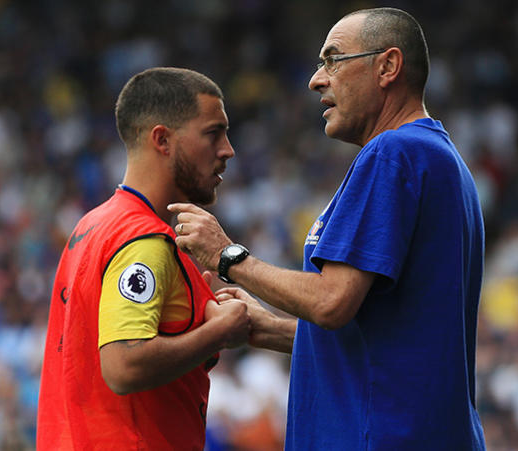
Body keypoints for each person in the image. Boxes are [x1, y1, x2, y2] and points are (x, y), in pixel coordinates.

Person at [169, 7, 487, 450]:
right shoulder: (439, 157)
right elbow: (388, 343)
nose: (317, 79)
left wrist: (228, 257)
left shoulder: (394, 153)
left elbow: (332, 302)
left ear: (388, 66)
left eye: (333, 59)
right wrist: (270, 328)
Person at [36, 67, 251, 450]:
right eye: (212, 133)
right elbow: (124, 365)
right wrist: (219, 332)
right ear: (162, 139)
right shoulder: (144, 237)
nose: (227, 150)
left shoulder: (93, 225)